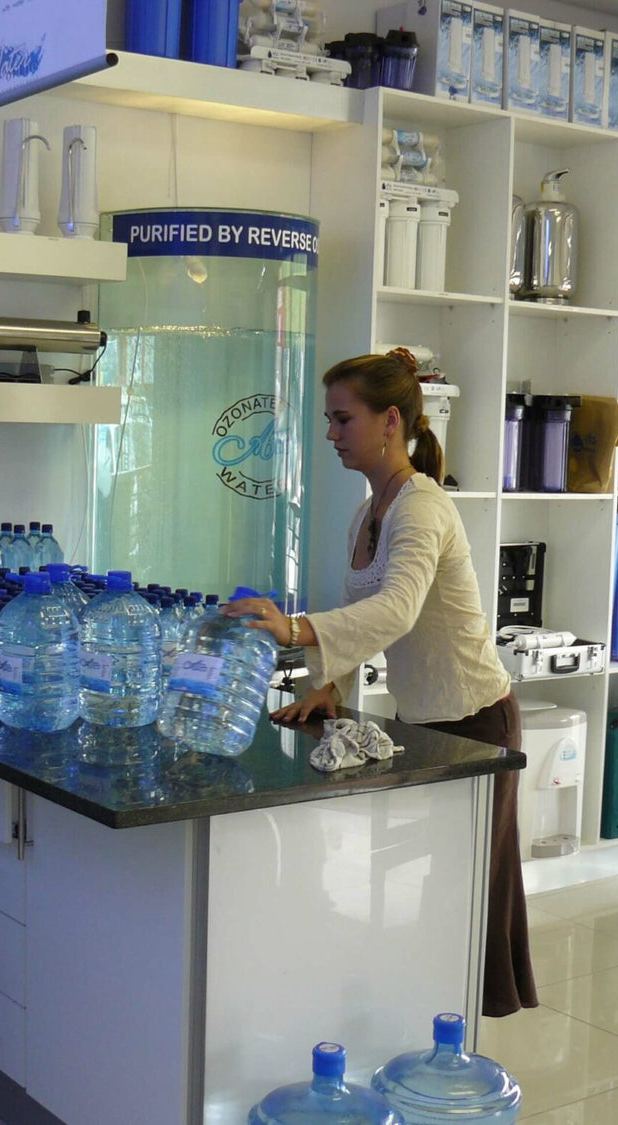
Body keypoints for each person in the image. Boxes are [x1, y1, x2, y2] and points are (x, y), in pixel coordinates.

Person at [225, 348, 537, 1018]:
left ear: (390, 420)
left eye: (343, 419)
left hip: (479, 718)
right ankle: (432, 1021)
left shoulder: (421, 508)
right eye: (330, 420)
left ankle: (458, 1044)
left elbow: (396, 608)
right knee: (448, 890)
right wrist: (328, 686)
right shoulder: (370, 512)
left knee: (469, 892)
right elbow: (360, 607)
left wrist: (295, 629)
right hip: (429, 720)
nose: (331, 433)